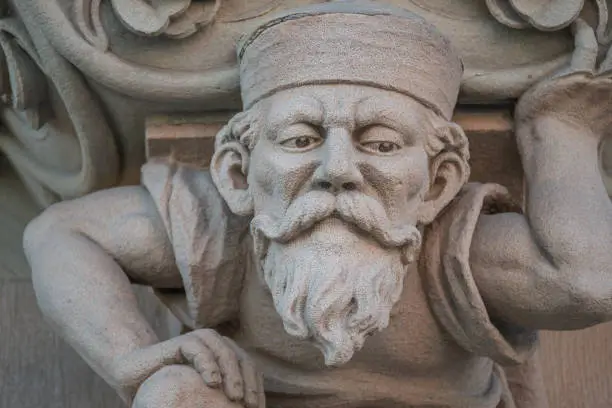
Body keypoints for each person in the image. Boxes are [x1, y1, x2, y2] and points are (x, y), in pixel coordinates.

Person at [23, 2, 612, 407]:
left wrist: (560, 132)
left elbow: (585, 282)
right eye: (300, 140)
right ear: (236, 173)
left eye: (380, 144)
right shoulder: (226, 232)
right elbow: (59, 234)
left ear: (437, 182)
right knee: (175, 394)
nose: (336, 171)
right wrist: (136, 358)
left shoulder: (447, 249)